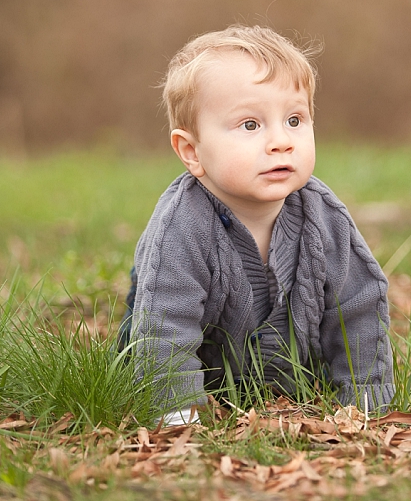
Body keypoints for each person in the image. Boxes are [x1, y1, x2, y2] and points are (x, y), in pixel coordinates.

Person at [120, 25, 395, 425]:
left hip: (295, 383)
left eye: (295, 120)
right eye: (250, 125)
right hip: (202, 383)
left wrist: (365, 395)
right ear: (191, 152)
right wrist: (178, 414)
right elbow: (165, 324)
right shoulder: (181, 228)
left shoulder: (324, 216)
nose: (281, 141)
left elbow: (358, 308)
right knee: (157, 322)